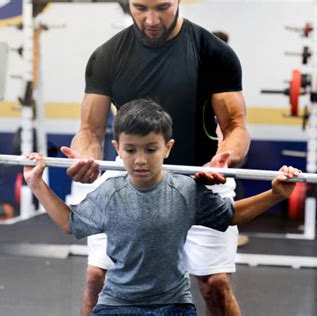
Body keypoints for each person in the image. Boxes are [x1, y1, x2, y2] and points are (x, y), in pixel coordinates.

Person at [60, 1, 251, 314]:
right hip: (131, 180)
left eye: (162, 7)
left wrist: (224, 159)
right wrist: (86, 159)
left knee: (216, 286)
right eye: (140, 7)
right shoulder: (107, 56)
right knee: (96, 279)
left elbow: (235, 126)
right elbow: (90, 131)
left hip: (200, 179)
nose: (151, 19)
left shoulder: (213, 53)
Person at [25, 99, 300, 315]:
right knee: (94, 277)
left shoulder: (185, 190)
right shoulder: (109, 192)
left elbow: (231, 215)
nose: (140, 160)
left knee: (217, 286)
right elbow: (69, 223)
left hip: (173, 306)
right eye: (131, 150)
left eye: (150, 149)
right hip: (117, 306)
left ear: (167, 148)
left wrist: (275, 194)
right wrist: (36, 183)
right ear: (117, 149)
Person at [212, 30, 249, 248]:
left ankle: (232, 229)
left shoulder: (228, 72)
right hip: (210, 137)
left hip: (224, 139)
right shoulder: (205, 69)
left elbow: (235, 121)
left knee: (229, 183)